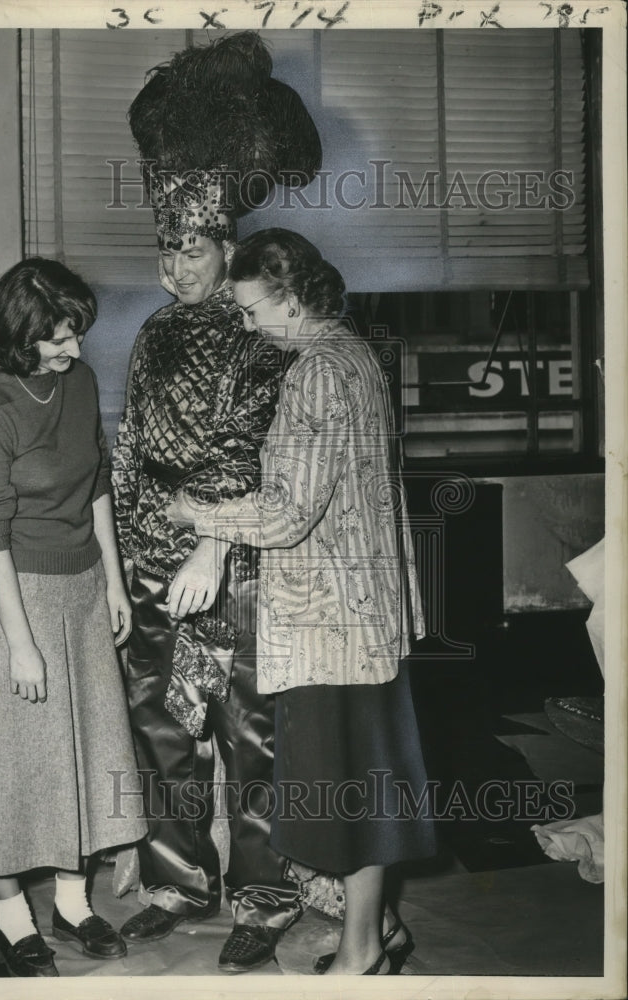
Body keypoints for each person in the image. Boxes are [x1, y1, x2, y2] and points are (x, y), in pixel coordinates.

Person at [166, 229, 437, 976]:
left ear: (290, 297)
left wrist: (202, 519)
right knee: (369, 782)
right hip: (367, 614)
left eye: (254, 310)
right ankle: (379, 931)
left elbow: (288, 513)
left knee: (345, 797)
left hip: (329, 623)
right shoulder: (357, 354)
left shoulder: (315, 372)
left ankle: (359, 957)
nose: (250, 326)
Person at [110, 30, 323, 975]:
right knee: (160, 724)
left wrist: (210, 551)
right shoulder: (154, 332)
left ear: (224, 243)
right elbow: (128, 447)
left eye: (189, 250)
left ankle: (268, 896)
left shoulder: (260, 333)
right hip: (151, 557)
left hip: (231, 564)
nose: (173, 268)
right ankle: (176, 881)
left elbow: (245, 446)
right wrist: (120, 560)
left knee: (247, 730)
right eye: (164, 249)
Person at [0, 257, 145, 977]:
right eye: (58, 340)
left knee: (93, 751)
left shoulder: (80, 383)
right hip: (21, 597)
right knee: (14, 766)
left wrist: (115, 584)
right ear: (20, 336)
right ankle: (11, 917)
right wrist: (21, 644)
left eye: (76, 336)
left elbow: (96, 481)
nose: (73, 351)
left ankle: (75, 901)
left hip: (83, 587)